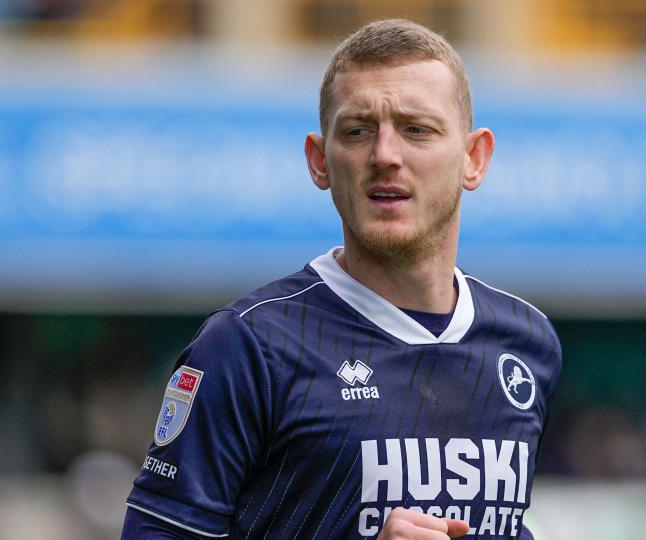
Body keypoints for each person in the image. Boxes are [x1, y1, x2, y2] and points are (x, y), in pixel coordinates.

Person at [121, 18, 562, 539]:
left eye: (416, 129)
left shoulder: (527, 342)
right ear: (319, 160)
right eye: (357, 131)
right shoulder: (248, 346)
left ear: (474, 158)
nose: (385, 156)